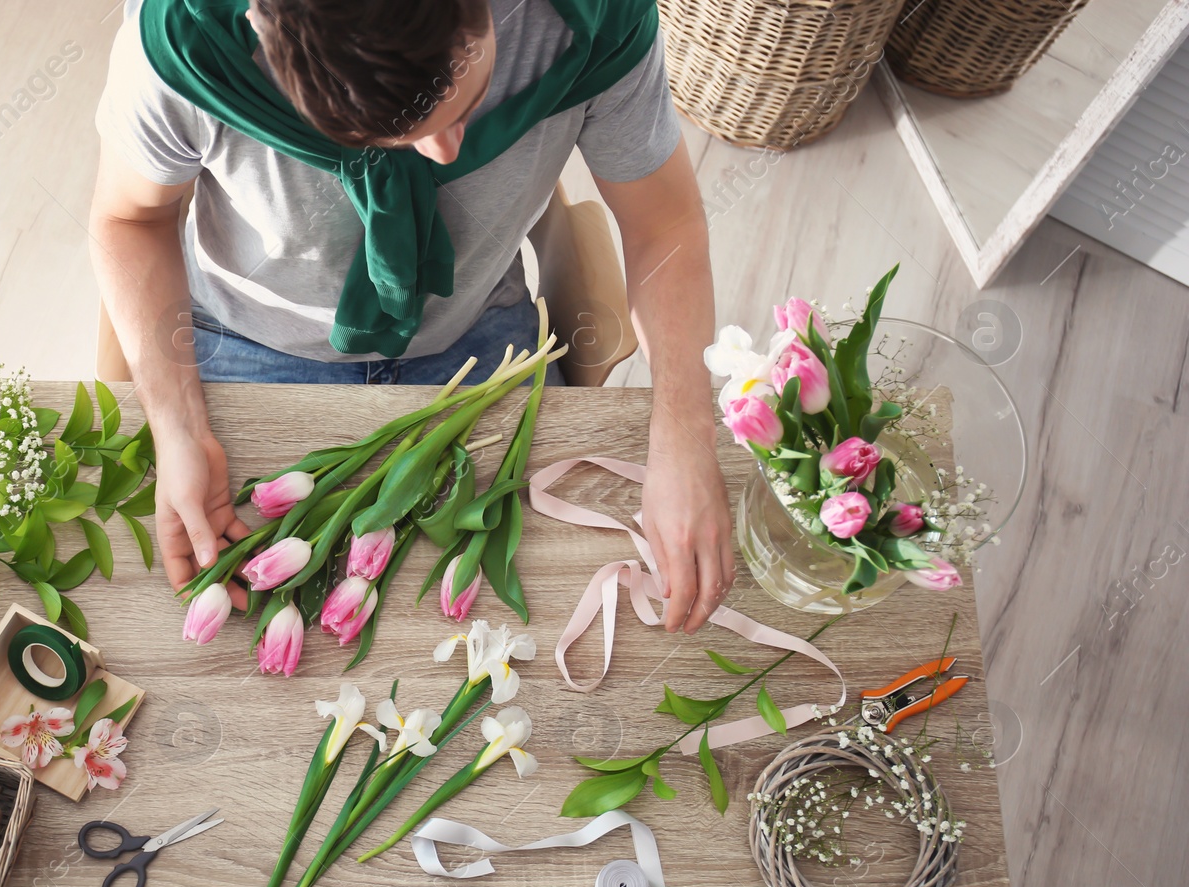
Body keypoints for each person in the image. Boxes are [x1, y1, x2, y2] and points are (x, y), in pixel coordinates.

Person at [90, 0, 733, 634]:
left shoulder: (593, 18)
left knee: (535, 611)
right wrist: (177, 430)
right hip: (246, 339)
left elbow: (666, 224)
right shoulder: (185, 38)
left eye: (465, 103)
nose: (446, 154)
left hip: (475, 333)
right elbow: (128, 220)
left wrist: (686, 438)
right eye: (386, 136)